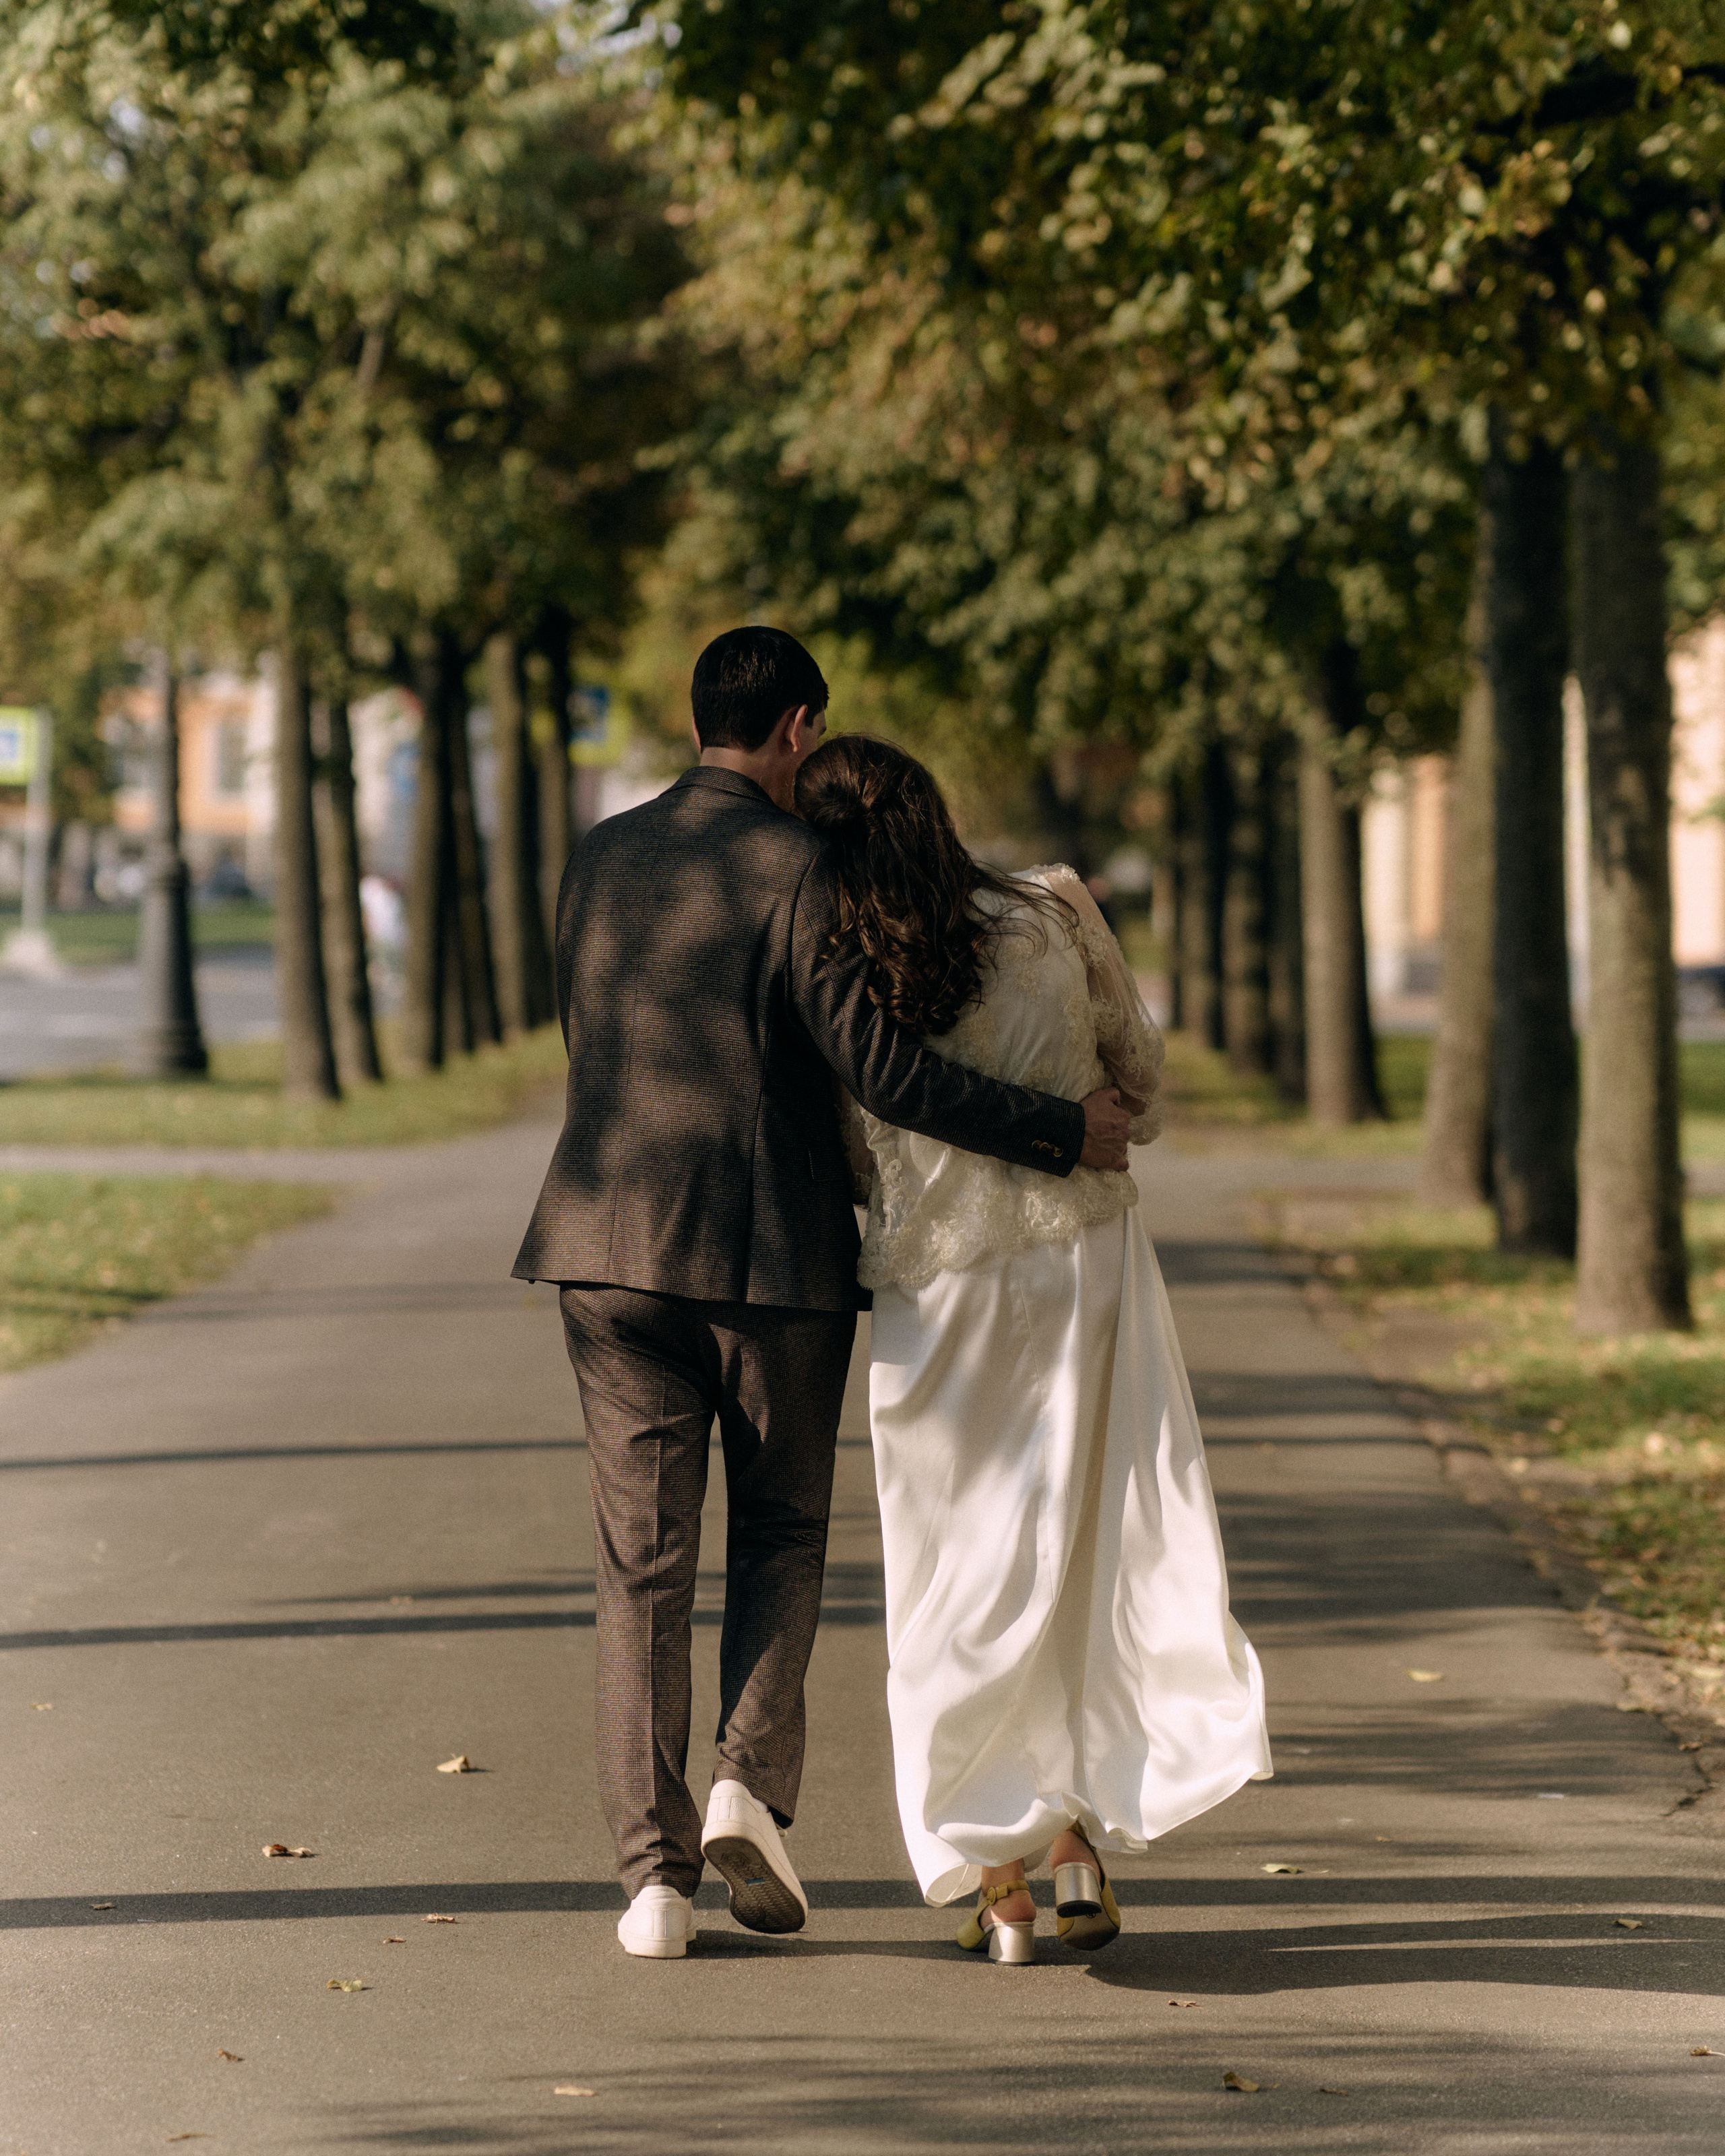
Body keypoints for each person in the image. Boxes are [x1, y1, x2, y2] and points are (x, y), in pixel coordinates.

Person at [512, 628, 1133, 1960]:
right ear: (797, 729)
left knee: (639, 1568)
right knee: (780, 1531)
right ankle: (745, 1784)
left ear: (698, 720)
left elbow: (589, 1034)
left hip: (601, 1247)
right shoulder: (799, 867)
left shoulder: (600, 855)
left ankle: (649, 1884)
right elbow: (883, 1071)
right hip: (764, 1262)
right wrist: (1051, 1127)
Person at [796, 734, 1272, 1965]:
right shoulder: (1054, 909)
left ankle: (996, 1874)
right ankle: (1073, 1844)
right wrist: (1082, 1116)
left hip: (937, 1287)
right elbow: (1145, 1081)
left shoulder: (843, 954)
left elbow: (855, 1138)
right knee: (1091, 1544)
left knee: (956, 1571)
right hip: (1084, 1264)